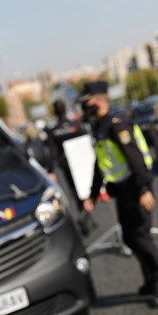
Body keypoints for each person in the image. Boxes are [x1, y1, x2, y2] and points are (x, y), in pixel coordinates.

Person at [81, 81, 158, 308]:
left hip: (136, 187)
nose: (84, 107)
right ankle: (149, 280)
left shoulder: (116, 124)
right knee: (130, 237)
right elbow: (101, 165)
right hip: (123, 190)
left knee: (141, 236)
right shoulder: (100, 126)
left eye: (87, 102)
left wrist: (144, 189)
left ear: (99, 100)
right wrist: (91, 195)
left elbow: (135, 158)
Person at [44, 99, 97, 235]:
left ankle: (84, 217)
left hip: (66, 165)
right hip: (83, 163)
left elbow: (53, 152)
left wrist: (50, 170)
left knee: (74, 192)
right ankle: (88, 217)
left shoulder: (54, 131)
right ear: (66, 110)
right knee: (87, 189)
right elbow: (87, 142)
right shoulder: (76, 125)